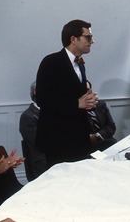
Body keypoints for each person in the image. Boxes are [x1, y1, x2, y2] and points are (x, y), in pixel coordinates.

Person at [35, 19, 99, 169]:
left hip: (78, 137)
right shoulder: (51, 62)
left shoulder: (80, 65)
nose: (93, 41)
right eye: (88, 37)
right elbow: (43, 99)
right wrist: (77, 103)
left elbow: (73, 93)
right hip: (58, 139)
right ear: (73, 39)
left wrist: (89, 100)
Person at [19, 81, 46, 181]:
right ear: (36, 91)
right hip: (43, 165)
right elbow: (42, 144)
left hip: (57, 159)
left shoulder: (50, 113)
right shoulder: (28, 116)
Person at [86, 81, 117, 152]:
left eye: (88, 90)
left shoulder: (100, 104)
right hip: (88, 148)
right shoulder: (74, 110)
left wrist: (97, 136)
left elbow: (111, 127)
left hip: (107, 141)